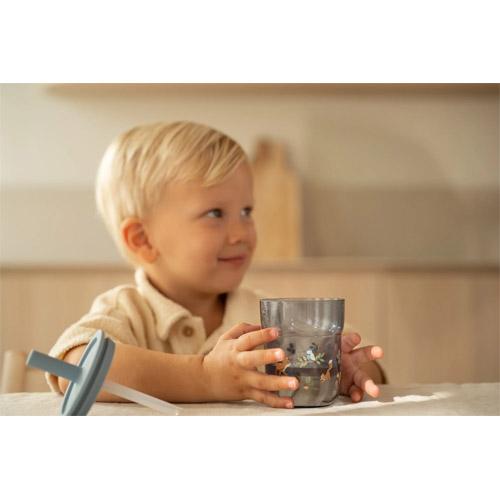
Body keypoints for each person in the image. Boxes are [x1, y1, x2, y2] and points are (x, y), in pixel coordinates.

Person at [46, 121, 384, 409]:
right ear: (143, 239)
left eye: (246, 211)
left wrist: (344, 371)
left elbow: (371, 370)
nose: (242, 233)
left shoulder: (265, 316)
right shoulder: (127, 311)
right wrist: (205, 377)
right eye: (215, 214)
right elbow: (74, 369)